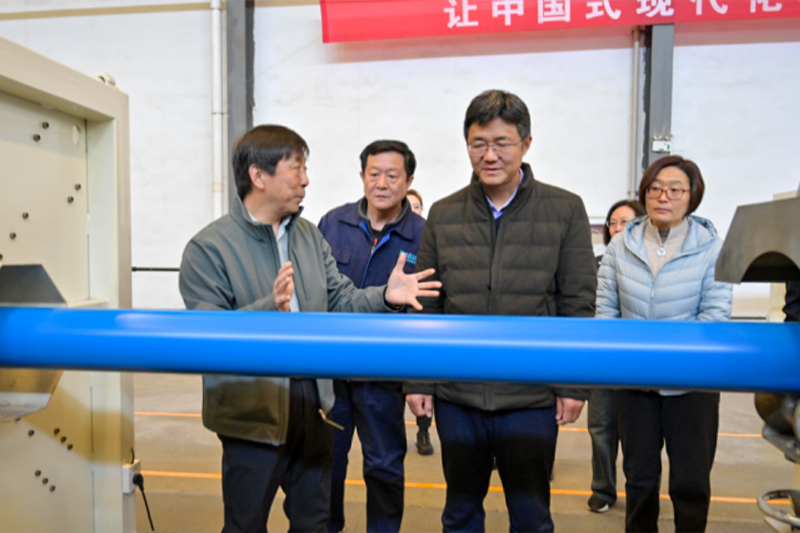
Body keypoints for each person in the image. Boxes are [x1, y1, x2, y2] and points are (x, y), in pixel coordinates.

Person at [178, 125, 440, 533]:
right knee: (245, 524)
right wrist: (270, 308)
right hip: (253, 413)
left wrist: (385, 297)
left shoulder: (309, 236)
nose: (306, 180)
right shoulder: (209, 249)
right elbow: (206, 339)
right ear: (258, 175)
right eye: (296, 168)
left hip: (315, 405)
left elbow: (340, 299)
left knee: (315, 522)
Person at [405, 89, 597, 532]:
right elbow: (427, 302)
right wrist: (418, 379)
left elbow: (577, 302)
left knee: (531, 515)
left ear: (525, 144)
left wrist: (573, 385)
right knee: (460, 513)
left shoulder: (565, 209)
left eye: (501, 143)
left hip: (530, 395)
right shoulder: (444, 213)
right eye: (478, 143)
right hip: (458, 394)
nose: (489, 156)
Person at [596, 155, 732, 532]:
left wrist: (676, 366)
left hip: (693, 385)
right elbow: (606, 311)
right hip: (634, 384)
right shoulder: (621, 245)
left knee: (690, 482)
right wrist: (625, 366)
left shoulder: (711, 248)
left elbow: (715, 317)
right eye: (655, 189)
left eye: (675, 190)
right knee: (639, 481)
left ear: (692, 197)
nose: (663, 197)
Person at [318, 140, 425, 533]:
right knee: (325, 463)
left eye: (392, 175)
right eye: (374, 174)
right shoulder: (332, 224)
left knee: (384, 466)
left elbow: (429, 307)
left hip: (384, 374)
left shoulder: (423, 235)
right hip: (332, 372)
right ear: (362, 176)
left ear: (409, 181)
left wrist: (418, 379)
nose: (382, 183)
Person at [587, 199, 645, 514]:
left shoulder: (649, 263)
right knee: (600, 427)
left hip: (637, 362)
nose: (617, 228)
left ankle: (639, 490)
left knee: (637, 432)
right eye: (613, 223)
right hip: (602, 360)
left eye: (625, 222)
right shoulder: (596, 263)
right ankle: (602, 489)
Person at [404, 188, 436, 456]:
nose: (413, 211)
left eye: (416, 207)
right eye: (408, 206)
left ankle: (423, 430)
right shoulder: (400, 238)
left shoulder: (429, 235)